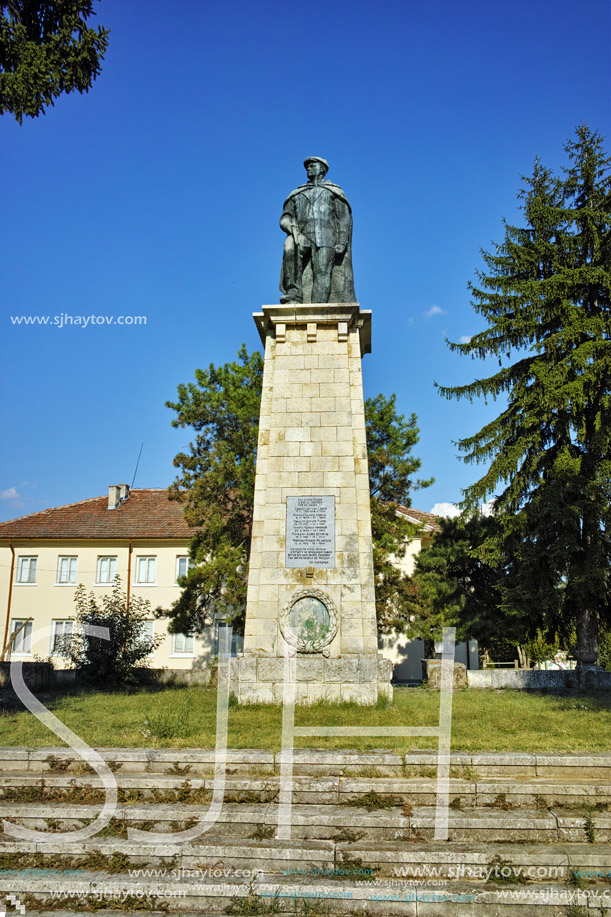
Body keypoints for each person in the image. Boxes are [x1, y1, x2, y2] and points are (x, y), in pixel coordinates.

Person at [279, 157, 356, 304]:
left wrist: (341, 241)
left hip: (326, 238)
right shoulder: (297, 193)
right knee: (289, 246)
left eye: (312, 166)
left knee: (322, 271)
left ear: (322, 169)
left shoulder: (333, 192)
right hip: (301, 235)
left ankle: (319, 304)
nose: (308, 169)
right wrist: (291, 227)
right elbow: (285, 217)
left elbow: (343, 219)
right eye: (307, 167)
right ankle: (293, 292)